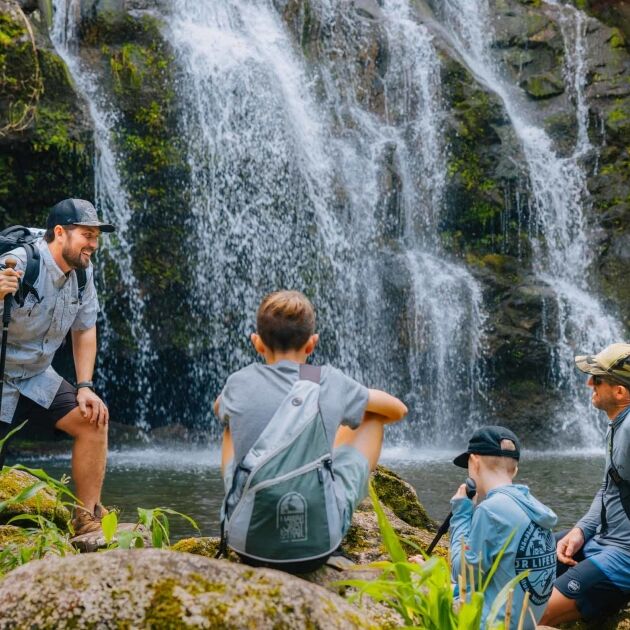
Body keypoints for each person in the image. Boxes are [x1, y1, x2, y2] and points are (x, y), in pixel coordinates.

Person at [214, 290, 407, 566]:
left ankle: (243, 505)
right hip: (317, 545)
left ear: (257, 344)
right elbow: (398, 409)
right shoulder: (328, 381)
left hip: (248, 544)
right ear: (311, 344)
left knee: (230, 425)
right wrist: (337, 414)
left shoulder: (238, 382)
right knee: (371, 417)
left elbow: (219, 408)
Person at [0, 198, 115, 536]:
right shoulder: (20, 262)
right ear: (61, 233)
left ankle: (86, 519)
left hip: (36, 375)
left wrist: (85, 387)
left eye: (96, 236)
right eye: (87, 235)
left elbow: (84, 328)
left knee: (93, 420)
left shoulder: (83, 272)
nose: (92, 244)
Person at [541, 343, 630, 625]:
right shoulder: (619, 425)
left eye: (598, 378)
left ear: (619, 391)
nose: (589, 382)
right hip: (600, 539)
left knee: (518, 616)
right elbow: (608, 488)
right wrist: (581, 529)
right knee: (527, 553)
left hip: (621, 558)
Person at [450, 425, 557, 629]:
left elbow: (463, 573)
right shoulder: (535, 507)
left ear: (474, 461)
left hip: (492, 624)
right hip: (524, 622)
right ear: (515, 470)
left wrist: (462, 514)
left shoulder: (490, 510)